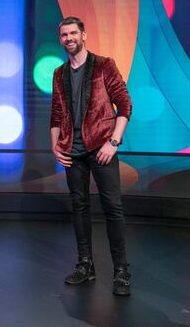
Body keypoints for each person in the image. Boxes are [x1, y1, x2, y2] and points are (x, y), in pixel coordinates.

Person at [49, 16, 133, 296]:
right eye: (64, 34)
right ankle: (85, 264)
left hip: (102, 147)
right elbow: (56, 114)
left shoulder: (103, 65)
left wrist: (114, 142)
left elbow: (124, 104)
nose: (69, 38)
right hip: (72, 150)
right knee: (79, 207)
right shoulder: (59, 73)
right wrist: (55, 147)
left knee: (112, 207)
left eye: (73, 33)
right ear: (60, 39)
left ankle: (121, 270)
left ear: (83, 35)